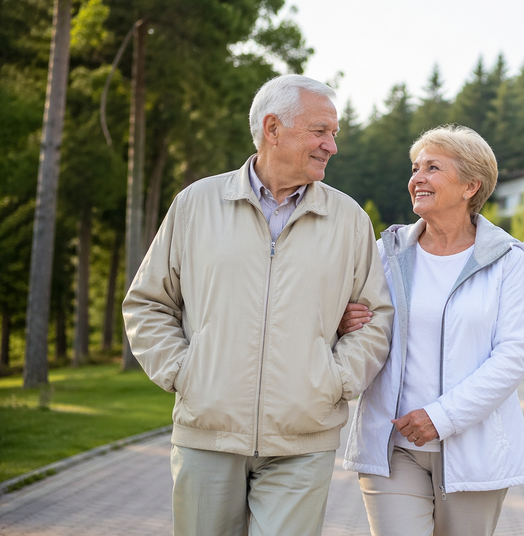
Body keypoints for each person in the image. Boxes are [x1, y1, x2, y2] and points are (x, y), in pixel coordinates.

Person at [123, 74, 394, 536]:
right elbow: (148, 303)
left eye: (334, 133)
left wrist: (335, 380)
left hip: (304, 439)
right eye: (320, 131)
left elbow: (376, 318)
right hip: (208, 434)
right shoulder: (195, 205)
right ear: (273, 128)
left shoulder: (348, 219)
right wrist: (187, 372)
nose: (332, 146)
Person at [341, 125, 524, 536]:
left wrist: (440, 417)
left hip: (473, 449)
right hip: (393, 447)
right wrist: (343, 324)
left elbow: (513, 356)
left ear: (471, 185)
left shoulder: (507, 261)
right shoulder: (386, 254)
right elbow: (352, 321)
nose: (417, 178)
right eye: (415, 168)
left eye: (432, 168)